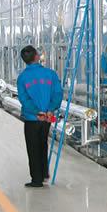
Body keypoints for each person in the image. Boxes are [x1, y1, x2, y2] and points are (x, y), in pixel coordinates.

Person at [17, 45, 63, 188]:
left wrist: (37, 112)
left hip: (32, 118)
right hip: (47, 118)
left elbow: (24, 99)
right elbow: (58, 94)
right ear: (37, 57)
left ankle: (36, 180)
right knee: (43, 144)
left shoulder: (22, 77)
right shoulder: (51, 74)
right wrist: (50, 110)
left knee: (33, 148)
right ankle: (44, 174)